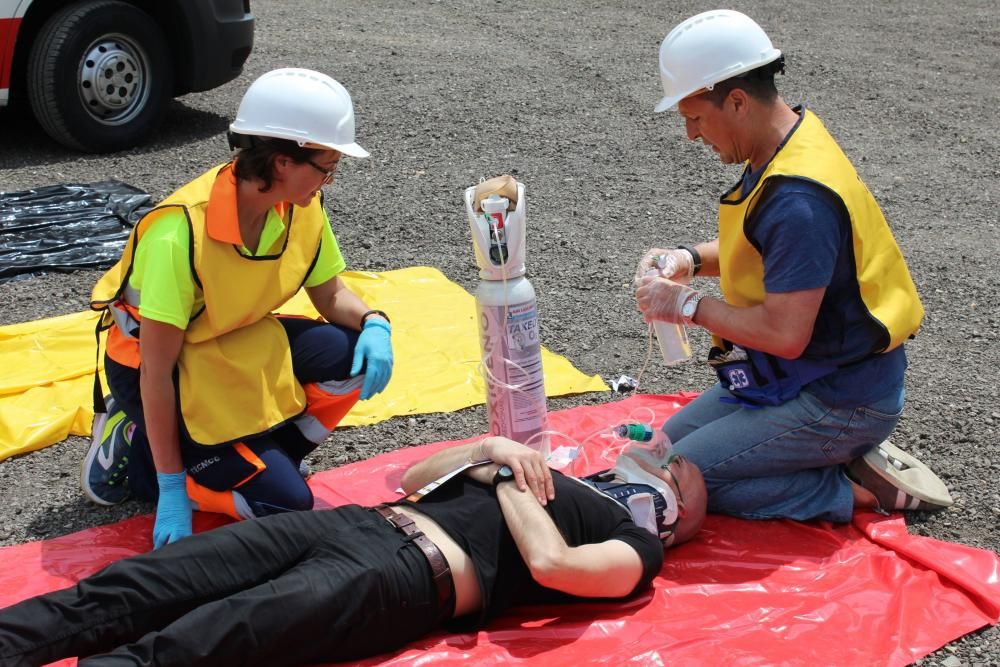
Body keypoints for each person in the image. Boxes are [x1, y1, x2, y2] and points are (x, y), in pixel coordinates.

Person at [0, 437, 707, 666]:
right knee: (135, 585)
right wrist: (487, 449)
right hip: (355, 524)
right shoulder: (551, 468)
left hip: (401, 573)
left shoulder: (638, 545)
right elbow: (411, 479)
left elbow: (555, 567)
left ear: (676, 513)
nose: (661, 455)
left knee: (195, 644)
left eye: (676, 470)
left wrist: (504, 480)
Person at [634, 10, 950, 523]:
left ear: (736, 100)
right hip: (800, 378)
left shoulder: (798, 199)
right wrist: (689, 260)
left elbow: (785, 334)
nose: (692, 134)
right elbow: (769, 251)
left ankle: (847, 489)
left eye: (695, 117)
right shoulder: (789, 142)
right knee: (657, 453)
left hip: (841, 399)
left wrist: (689, 305)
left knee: (682, 481)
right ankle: (823, 462)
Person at [83, 68, 394, 549]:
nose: (330, 178)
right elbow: (156, 370)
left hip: (233, 345)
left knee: (349, 353)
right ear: (283, 162)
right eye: (327, 165)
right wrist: (170, 488)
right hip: (157, 370)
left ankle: (264, 459)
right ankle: (144, 460)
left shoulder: (301, 205)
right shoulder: (179, 235)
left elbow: (331, 297)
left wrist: (376, 323)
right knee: (284, 506)